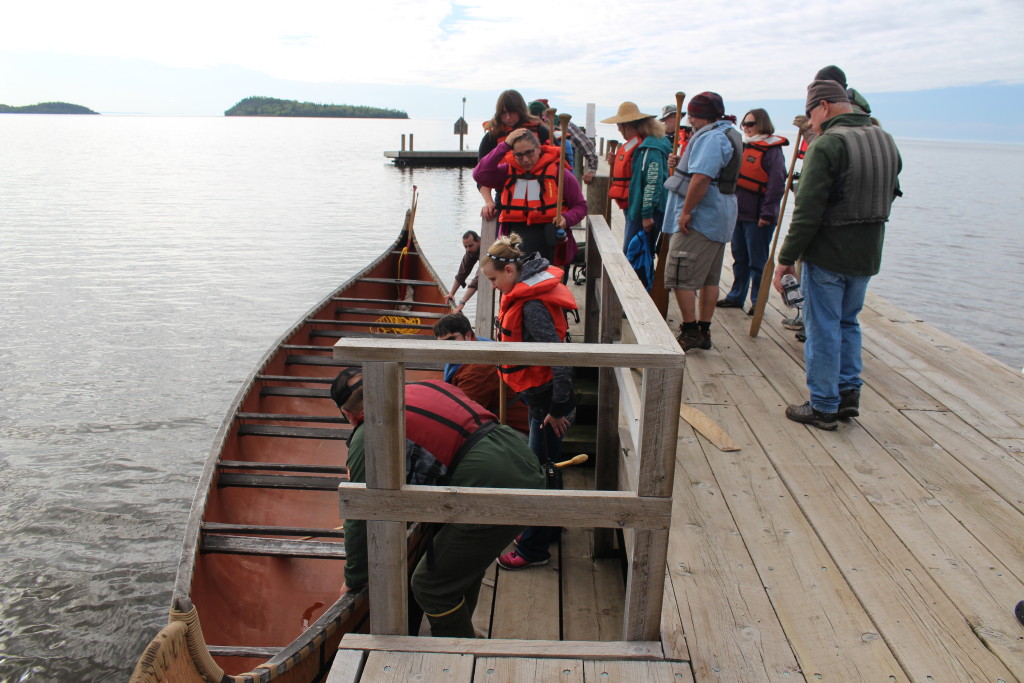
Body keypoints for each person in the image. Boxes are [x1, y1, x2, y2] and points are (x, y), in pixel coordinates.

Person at [332, 370, 545, 637]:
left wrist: (354, 579)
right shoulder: (425, 386)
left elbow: (361, 514)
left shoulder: (369, 433)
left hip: (492, 484)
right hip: (522, 457)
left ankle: (456, 658)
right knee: (461, 567)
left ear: (349, 415)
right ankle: (464, 632)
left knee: (430, 586)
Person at [773, 79, 901, 430]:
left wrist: (785, 260)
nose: (810, 123)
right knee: (849, 322)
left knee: (822, 326)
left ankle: (824, 405)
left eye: (811, 115)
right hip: (867, 252)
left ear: (824, 107)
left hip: (829, 252)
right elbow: (892, 191)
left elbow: (808, 211)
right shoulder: (884, 139)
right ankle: (848, 394)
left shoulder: (828, 144)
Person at [479, 234, 577, 570]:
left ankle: (534, 549)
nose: (493, 287)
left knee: (539, 472)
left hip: (550, 405)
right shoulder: (520, 293)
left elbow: (560, 360)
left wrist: (558, 410)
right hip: (542, 403)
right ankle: (546, 529)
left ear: (510, 270)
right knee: (548, 466)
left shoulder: (532, 306)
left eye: (494, 279)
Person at [660, 92, 742, 351]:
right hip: (719, 216)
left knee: (679, 272)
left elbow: (702, 178)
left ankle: (690, 330)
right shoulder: (728, 133)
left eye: (691, 116)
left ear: (698, 116)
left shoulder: (712, 138)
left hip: (701, 218)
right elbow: (698, 169)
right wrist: (679, 162)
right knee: (709, 278)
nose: (689, 120)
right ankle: (704, 331)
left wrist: (685, 212)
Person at [473, 128, 586, 265]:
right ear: (513, 154)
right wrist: (505, 145)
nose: (525, 159)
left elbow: (581, 206)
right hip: (515, 246)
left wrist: (566, 218)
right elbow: (479, 174)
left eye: (529, 153)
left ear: (538, 149)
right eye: (519, 155)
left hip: (550, 242)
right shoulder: (506, 172)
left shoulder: (559, 173)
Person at [717, 108, 788, 313]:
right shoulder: (744, 146)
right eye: (744, 124)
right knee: (740, 258)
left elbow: (776, 185)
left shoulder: (772, 151)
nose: (746, 128)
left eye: (751, 124)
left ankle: (758, 301)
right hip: (739, 213)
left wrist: (766, 214)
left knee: (757, 261)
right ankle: (736, 296)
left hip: (758, 217)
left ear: (762, 124)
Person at [602, 102, 673, 291]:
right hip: (634, 207)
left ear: (629, 125)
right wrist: (616, 160)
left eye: (620, 126)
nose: (619, 131)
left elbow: (653, 182)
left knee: (635, 253)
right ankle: (637, 292)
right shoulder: (641, 143)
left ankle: (637, 295)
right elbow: (634, 170)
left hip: (644, 211)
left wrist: (647, 214)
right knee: (639, 252)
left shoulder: (651, 147)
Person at [433, 312, 530, 434]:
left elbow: (463, 415)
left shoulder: (477, 369)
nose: (445, 348)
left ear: (468, 336)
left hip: (515, 433)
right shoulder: (479, 345)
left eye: (451, 340)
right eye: (441, 344)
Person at [477, 90, 551, 221]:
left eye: (511, 112)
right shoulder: (492, 137)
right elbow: (482, 175)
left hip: (539, 191)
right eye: (503, 113)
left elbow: (558, 162)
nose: (507, 117)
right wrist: (488, 202)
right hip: (506, 194)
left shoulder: (539, 129)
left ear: (520, 110)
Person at [529, 99, 599, 185]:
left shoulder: (563, 124)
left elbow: (586, 145)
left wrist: (592, 170)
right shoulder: (528, 129)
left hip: (561, 178)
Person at [444, 231, 481, 313]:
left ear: (479, 242)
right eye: (465, 247)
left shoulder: (486, 249)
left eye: (470, 246)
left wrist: (462, 302)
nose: (468, 249)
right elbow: (462, 272)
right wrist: (451, 293)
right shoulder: (470, 251)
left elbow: (478, 278)